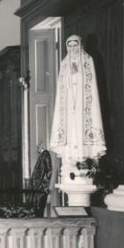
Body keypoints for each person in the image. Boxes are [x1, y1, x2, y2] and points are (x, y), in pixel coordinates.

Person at [49, 35, 107, 171]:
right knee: (70, 128)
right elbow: (61, 87)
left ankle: (84, 159)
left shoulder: (88, 60)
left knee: (82, 126)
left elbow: (90, 84)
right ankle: (70, 160)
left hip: (83, 102)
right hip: (69, 104)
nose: (72, 48)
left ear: (80, 45)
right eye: (69, 46)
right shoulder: (64, 63)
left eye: (75, 45)